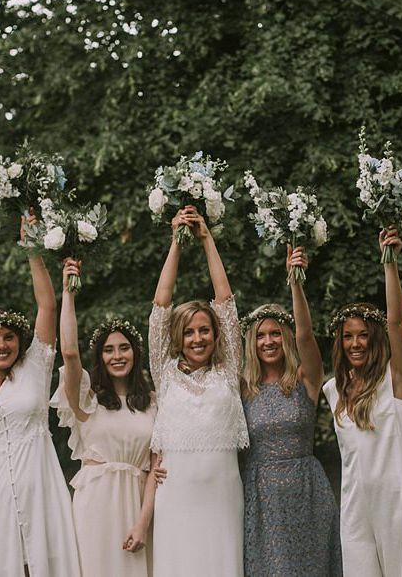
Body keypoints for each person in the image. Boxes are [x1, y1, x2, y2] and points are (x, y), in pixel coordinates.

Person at [0, 219, 80, 577]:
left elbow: (47, 307)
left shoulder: (34, 370)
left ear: (19, 340)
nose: (1, 345)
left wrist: (32, 250)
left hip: (41, 492)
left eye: (8, 337)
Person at [322, 227, 402, 577]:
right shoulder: (333, 390)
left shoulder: (395, 380)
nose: (356, 343)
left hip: (399, 499)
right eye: (348, 337)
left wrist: (390, 262)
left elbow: (397, 323)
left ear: (375, 340)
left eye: (364, 336)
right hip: (356, 506)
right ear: (340, 343)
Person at [149, 205, 248, 577]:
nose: (197, 338)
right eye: (189, 332)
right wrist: (176, 242)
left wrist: (206, 239)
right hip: (176, 498)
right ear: (178, 338)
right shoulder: (165, 372)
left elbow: (226, 304)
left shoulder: (228, 371)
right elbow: (161, 307)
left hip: (222, 497)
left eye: (204, 330)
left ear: (215, 335)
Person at [50, 258, 158, 576]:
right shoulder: (87, 399)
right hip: (96, 503)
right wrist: (68, 290)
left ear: (135, 354)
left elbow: (155, 468)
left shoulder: (152, 403)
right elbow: (69, 351)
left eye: (124, 348)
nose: (117, 356)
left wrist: (143, 523)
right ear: (100, 357)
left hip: (137, 506)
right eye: (108, 350)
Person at [240, 245, 342, 577]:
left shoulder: (305, 380)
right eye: (260, 336)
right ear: (251, 344)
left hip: (307, 488)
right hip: (261, 493)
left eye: (274, 334)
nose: (268, 341)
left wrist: (295, 283)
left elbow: (306, 335)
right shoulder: (243, 387)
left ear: (285, 338)